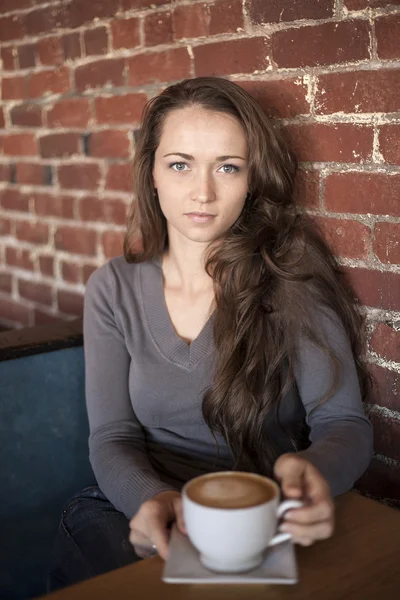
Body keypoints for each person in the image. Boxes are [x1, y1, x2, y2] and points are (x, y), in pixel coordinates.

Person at [48, 76, 374, 591]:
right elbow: (112, 437)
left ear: (251, 180)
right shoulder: (113, 287)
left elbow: (344, 424)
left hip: (260, 518)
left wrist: (315, 475)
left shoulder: (292, 276)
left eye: (228, 167)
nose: (203, 192)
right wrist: (151, 498)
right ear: (151, 173)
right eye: (180, 165)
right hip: (142, 508)